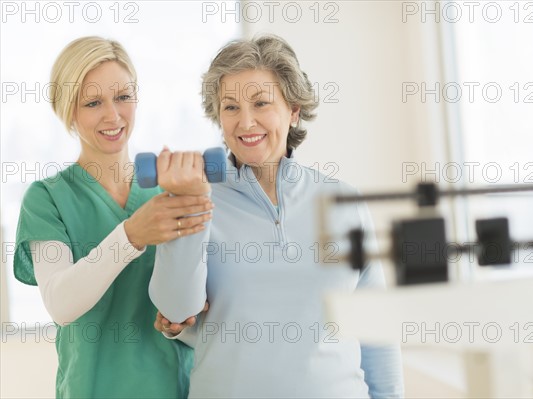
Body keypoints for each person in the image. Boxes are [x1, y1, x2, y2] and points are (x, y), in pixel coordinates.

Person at [150, 34, 404, 398]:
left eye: (261, 103)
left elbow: (375, 330)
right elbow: (175, 307)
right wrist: (190, 202)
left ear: (294, 109)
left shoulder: (343, 201)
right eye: (231, 107)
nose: (246, 122)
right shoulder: (198, 199)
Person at [13, 36, 212, 398]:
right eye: (93, 102)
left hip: (171, 388)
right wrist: (132, 235)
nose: (113, 115)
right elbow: (61, 304)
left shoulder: (166, 193)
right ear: (68, 111)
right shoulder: (47, 199)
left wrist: (180, 325)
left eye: (123, 96)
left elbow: (197, 312)